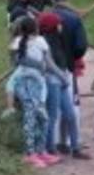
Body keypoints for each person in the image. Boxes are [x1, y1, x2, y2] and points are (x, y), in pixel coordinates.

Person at [6, 18, 61, 168]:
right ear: (35, 28)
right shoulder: (17, 43)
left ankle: (40, 150)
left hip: (38, 83)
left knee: (43, 117)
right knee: (30, 116)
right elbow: (16, 63)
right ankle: (30, 154)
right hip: (24, 82)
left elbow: (46, 62)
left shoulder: (40, 41)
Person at [38, 12, 89, 160]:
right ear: (53, 26)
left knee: (70, 115)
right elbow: (48, 64)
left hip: (61, 80)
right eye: (58, 24)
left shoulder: (58, 39)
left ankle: (75, 148)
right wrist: (62, 75)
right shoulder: (44, 42)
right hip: (53, 81)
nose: (61, 26)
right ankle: (50, 150)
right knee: (52, 116)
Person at [49, 0, 88, 152]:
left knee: (53, 106)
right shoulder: (74, 19)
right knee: (72, 105)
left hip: (48, 69)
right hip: (68, 67)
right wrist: (73, 58)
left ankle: (55, 143)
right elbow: (81, 46)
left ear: (52, 1)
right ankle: (75, 141)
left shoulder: (44, 19)